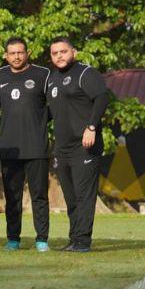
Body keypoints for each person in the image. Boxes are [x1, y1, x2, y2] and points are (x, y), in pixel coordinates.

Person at [46, 37, 110, 253]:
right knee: (71, 197)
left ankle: (83, 241)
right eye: (55, 53)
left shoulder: (85, 73)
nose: (59, 56)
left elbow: (102, 98)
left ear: (73, 52)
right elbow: (50, 112)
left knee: (84, 195)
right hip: (62, 148)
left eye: (63, 51)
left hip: (84, 145)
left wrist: (91, 127)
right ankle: (75, 239)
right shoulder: (53, 78)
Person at [0, 37, 52, 251]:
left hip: (37, 146)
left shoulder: (43, 74)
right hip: (9, 147)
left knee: (39, 195)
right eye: (12, 53)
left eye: (20, 52)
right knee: (12, 196)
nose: (16, 56)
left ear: (27, 53)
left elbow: (53, 105)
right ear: (6, 55)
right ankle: (13, 239)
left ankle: (42, 239)